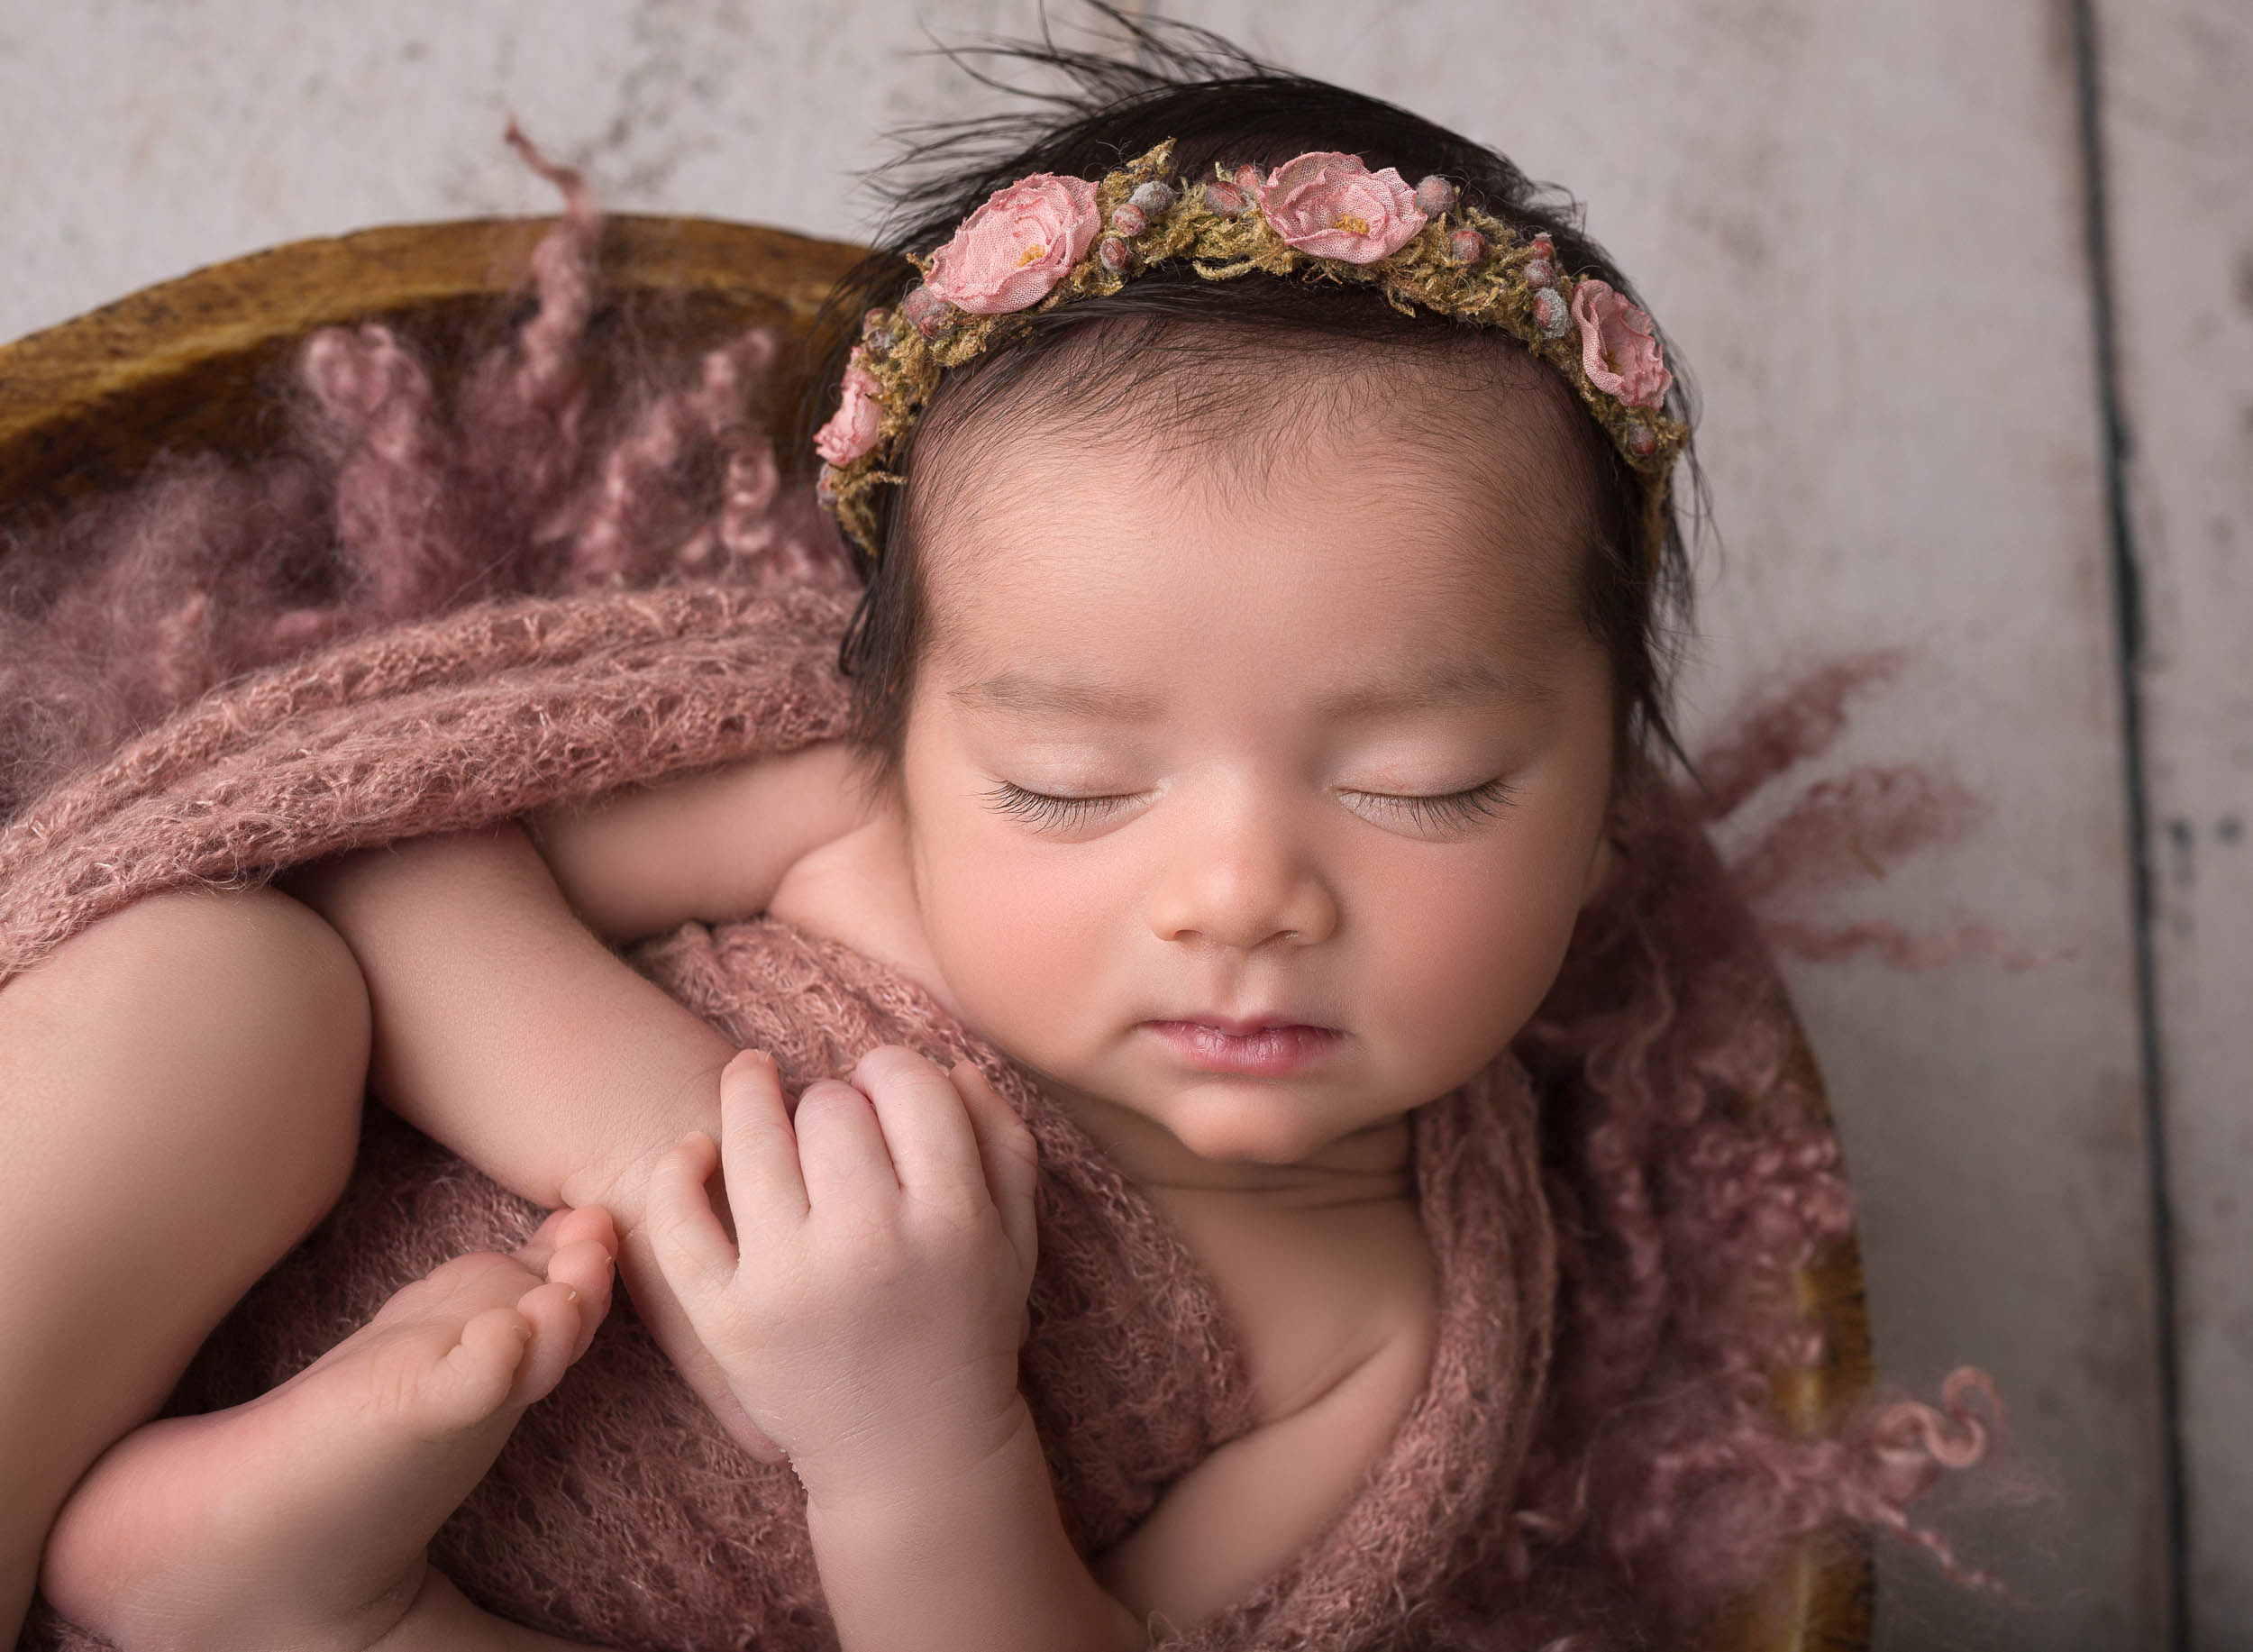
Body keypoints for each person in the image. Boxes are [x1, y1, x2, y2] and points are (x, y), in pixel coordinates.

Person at [1, 22, 1983, 1652]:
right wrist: (647, 1129)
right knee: (214, 984)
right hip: (227, 1277)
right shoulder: (842, 816)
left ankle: (260, 1598)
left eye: (1422, 784)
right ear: (914, 727)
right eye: (1067, 787)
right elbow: (397, 853)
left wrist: (915, 1434)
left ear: (1597, 812)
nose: (1237, 898)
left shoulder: (1381, 1333)